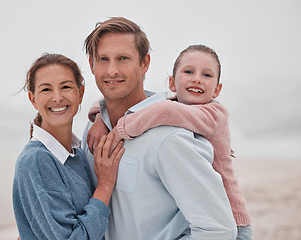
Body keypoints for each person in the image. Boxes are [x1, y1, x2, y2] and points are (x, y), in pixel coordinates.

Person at [82, 17, 237, 239]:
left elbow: (218, 230)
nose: (112, 70)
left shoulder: (169, 137)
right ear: (91, 65)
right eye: (103, 59)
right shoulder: (93, 126)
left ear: (145, 63)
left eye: (123, 58)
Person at [12, 53, 125, 240]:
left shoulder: (77, 155)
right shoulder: (37, 160)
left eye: (65, 87)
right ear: (33, 99)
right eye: (46, 90)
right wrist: (105, 186)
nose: (57, 97)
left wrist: (100, 117)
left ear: (80, 94)